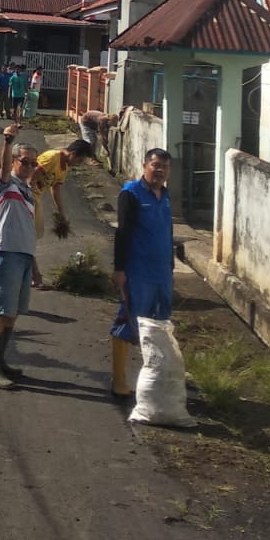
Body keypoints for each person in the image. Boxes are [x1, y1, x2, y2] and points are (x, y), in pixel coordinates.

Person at [111, 148, 175, 398]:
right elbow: (123, 232)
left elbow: (167, 231)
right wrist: (119, 269)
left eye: (164, 167)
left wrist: (170, 265)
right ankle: (118, 380)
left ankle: (154, 376)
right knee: (129, 319)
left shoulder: (165, 195)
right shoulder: (131, 194)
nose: (159, 171)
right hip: (137, 271)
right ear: (145, 165)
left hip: (161, 272)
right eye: (155, 165)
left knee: (159, 324)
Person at [0, 126, 38, 390]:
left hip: (24, 256)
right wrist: (7, 141)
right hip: (6, 253)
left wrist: (35, 266)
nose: (28, 167)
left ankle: (0, 362)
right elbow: (3, 167)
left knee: (13, 314)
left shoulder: (28, 192)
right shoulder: (5, 183)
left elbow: (28, 230)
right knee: (2, 312)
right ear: (14, 161)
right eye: (24, 161)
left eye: (33, 163)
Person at [26, 137, 94, 289]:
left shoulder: (64, 168)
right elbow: (31, 176)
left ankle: (32, 275)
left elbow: (55, 189)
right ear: (74, 154)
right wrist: (26, 200)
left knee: (31, 237)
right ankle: (35, 276)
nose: (79, 164)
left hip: (35, 200)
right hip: (27, 199)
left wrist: (61, 213)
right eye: (80, 160)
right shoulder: (53, 158)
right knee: (28, 238)